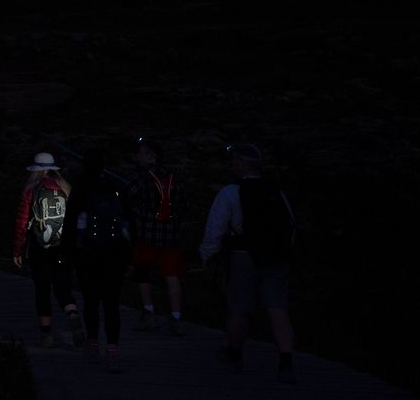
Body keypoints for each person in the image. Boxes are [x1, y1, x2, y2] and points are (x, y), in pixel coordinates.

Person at [200, 142, 296, 383]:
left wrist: (207, 255)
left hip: (243, 257)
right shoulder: (276, 191)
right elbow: (291, 225)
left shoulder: (231, 192)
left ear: (241, 165)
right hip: (277, 258)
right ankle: (285, 361)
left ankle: (235, 355)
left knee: (239, 309)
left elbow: (216, 228)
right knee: (278, 308)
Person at [67, 145, 135, 373]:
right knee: (111, 303)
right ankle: (113, 350)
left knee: (91, 300)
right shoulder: (117, 186)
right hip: (115, 253)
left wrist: (69, 252)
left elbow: (71, 223)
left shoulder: (80, 187)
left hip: (88, 253)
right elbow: (128, 222)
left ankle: (93, 342)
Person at [13, 151, 83, 348]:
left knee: (42, 289)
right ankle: (73, 314)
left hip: (39, 248)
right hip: (62, 247)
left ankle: (47, 335)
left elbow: (21, 223)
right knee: (62, 287)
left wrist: (18, 250)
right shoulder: (66, 188)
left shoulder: (31, 190)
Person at [127, 137, 187, 334]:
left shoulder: (140, 178)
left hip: (146, 235)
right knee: (172, 277)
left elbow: (128, 198)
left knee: (142, 274)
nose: (138, 156)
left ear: (151, 156)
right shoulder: (173, 176)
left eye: (142, 153)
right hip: (171, 237)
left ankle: (149, 313)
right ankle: (176, 318)